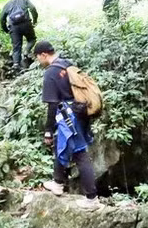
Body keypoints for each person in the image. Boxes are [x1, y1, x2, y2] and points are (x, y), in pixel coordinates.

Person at [34, 41, 103, 210]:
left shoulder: (51, 72)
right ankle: (57, 183)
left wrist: (48, 130)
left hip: (68, 116)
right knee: (61, 145)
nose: (38, 61)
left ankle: (92, 199)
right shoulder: (67, 64)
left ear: (43, 55)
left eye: (37, 57)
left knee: (79, 154)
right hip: (80, 113)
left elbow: (52, 104)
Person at [0, 0, 38, 69]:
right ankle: (26, 51)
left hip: (14, 28)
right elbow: (33, 8)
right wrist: (34, 20)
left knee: (16, 47)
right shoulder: (24, 0)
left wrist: (6, 30)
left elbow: (2, 19)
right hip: (26, 24)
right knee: (32, 39)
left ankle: (16, 65)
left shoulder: (7, 5)